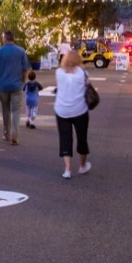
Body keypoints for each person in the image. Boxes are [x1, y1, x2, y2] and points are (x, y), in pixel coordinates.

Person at [54, 49, 91, 179]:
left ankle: (67, 170)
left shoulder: (58, 73)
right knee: (82, 137)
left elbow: (60, 86)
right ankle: (82, 165)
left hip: (62, 109)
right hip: (79, 109)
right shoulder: (83, 73)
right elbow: (88, 86)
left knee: (65, 138)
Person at [0, 29, 31, 145]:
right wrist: (23, 82)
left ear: (5, 38)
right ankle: (15, 133)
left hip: (3, 86)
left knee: (6, 110)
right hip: (17, 85)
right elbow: (25, 69)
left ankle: (6, 133)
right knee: (16, 110)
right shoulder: (21, 51)